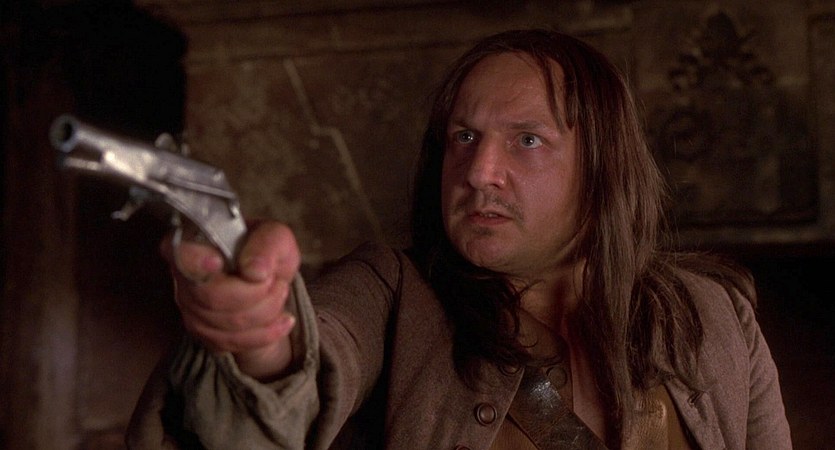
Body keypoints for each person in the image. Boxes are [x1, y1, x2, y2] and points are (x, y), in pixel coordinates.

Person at [126, 29, 792, 449]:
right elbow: (316, 353)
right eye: (464, 137)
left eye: (526, 140)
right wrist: (259, 338)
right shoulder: (390, 293)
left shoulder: (715, 315)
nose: (478, 171)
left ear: (604, 167)